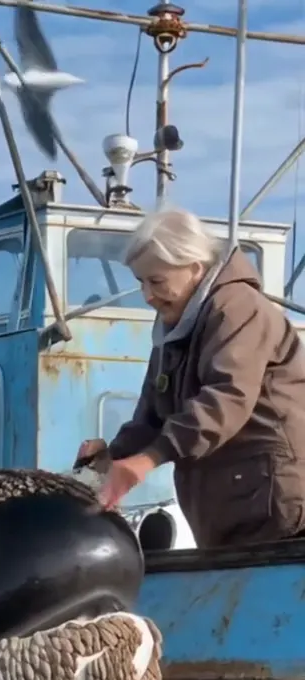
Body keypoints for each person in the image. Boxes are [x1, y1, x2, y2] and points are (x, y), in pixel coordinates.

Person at [75, 207, 305, 547]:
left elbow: (227, 398)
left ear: (195, 268)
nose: (148, 296)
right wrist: (104, 467)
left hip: (272, 504)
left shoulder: (238, 308)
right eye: (141, 282)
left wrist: (145, 462)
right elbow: (150, 417)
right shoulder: (174, 326)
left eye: (157, 281)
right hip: (227, 508)